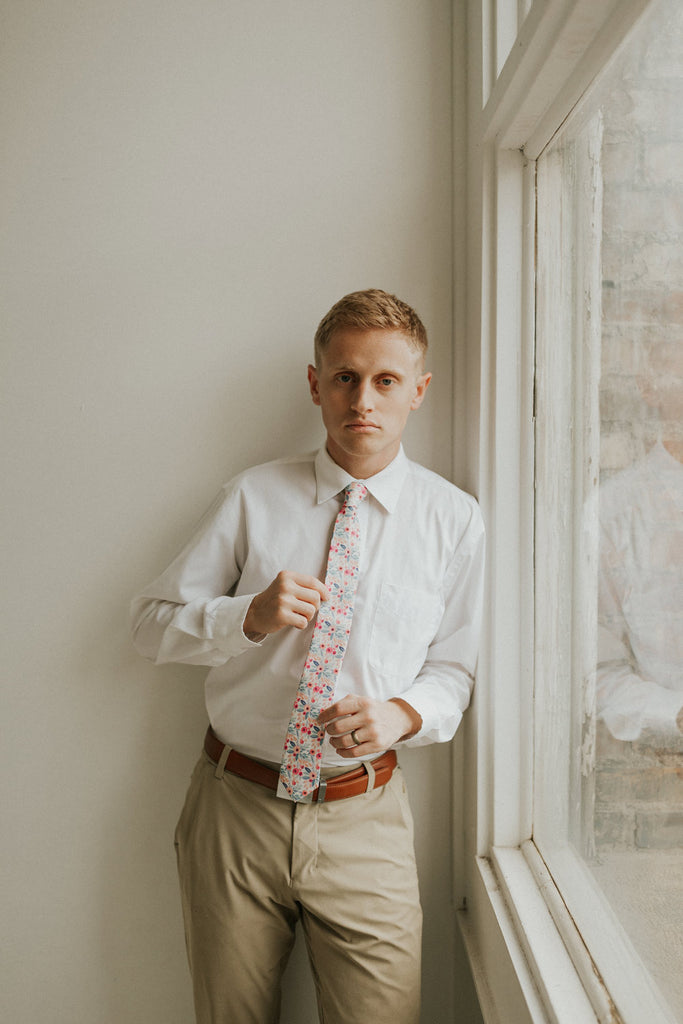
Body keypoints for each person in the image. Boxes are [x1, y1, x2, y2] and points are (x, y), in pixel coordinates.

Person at [130, 289, 485, 1024]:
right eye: (345, 377)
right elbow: (148, 628)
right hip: (235, 811)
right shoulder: (252, 498)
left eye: (386, 380)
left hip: (365, 815)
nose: (363, 399)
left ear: (417, 391)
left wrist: (400, 713)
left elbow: (454, 670)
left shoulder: (453, 520)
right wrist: (245, 617)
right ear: (314, 383)